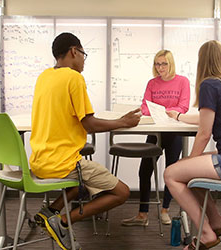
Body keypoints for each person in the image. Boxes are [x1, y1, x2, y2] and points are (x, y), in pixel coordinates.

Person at [30, 32, 141, 250]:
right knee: (122, 192)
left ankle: (49, 212)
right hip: (64, 162)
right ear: (74, 51)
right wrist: (123, 122)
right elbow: (89, 125)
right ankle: (61, 221)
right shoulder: (74, 78)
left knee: (83, 186)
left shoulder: (44, 77)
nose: (83, 61)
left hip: (39, 161)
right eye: (83, 54)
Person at [163, 40, 221, 250]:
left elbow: (205, 133)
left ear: (202, 61)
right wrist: (179, 116)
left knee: (171, 173)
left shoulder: (209, 84)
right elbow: (206, 118)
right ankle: (216, 221)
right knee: (186, 169)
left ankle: (206, 233)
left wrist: (190, 159)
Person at [121, 50, 190, 227]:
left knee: (170, 172)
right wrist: (156, 111)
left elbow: (183, 106)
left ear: (171, 64)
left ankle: (165, 209)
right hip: (155, 131)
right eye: (157, 64)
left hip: (174, 132)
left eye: (164, 64)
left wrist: (170, 112)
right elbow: (145, 106)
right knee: (145, 170)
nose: (160, 68)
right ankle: (142, 214)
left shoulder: (182, 81)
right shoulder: (152, 83)